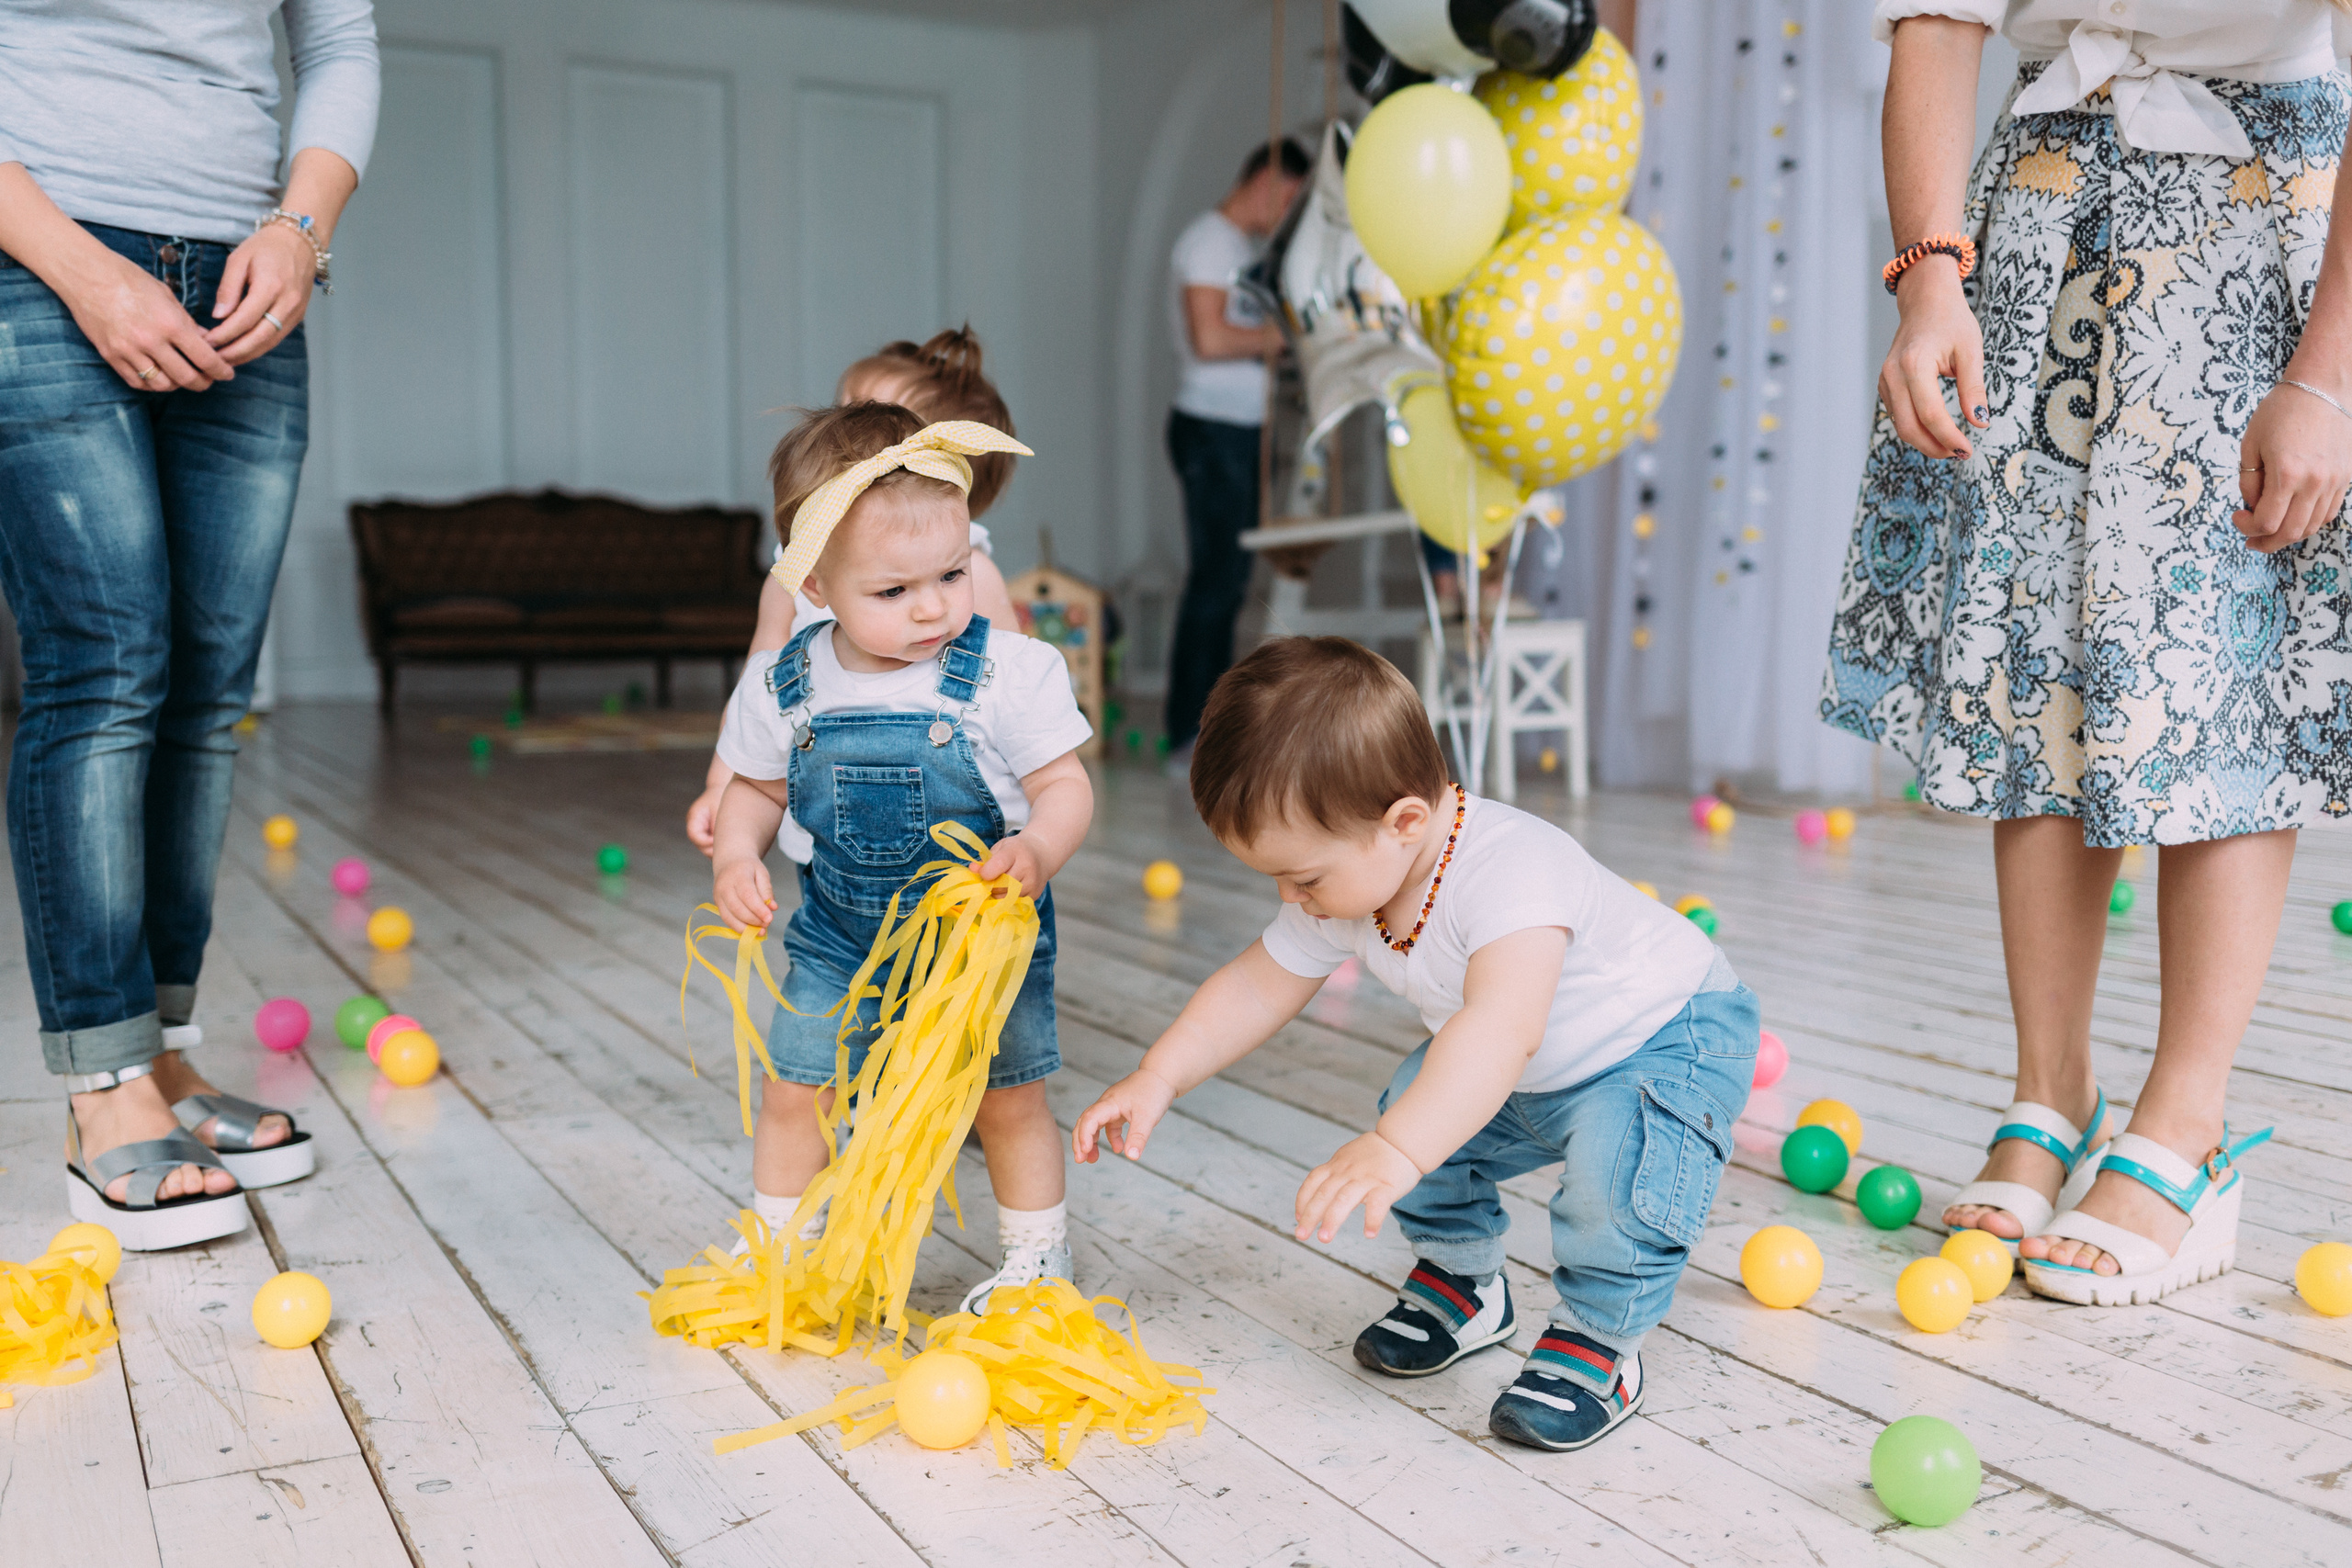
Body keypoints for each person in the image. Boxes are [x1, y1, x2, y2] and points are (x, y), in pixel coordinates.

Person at [1823, 4, 2352, 1304]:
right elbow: (1938, 26)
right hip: (2041, 207)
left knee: (2215, 678)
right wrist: (1931, 274)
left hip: (2261, 212)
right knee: (2035, 673)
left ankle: (2189, 1120)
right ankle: (2049, 1083)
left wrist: (2328, 376)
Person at [1073, 637, 1756, 1453]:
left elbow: (1503, 1027)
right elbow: (1259, 982)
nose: (1295, 900)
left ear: (1404, 821)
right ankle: (1467, 1287)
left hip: (1664, 1041)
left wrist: (1399, 1148)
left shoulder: (1513, 870)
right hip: (1531, 1062)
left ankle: (1600, 1345)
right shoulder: (1359, 876)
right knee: (1417, 1106)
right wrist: (1161, 1073)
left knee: (1608, 1168)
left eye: (1305, 879)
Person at [0, 1, 379, 1250]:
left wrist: (298, 225)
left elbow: (338, 44)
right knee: (105, 668)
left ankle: (160, 1059)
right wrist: (74, 262)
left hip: (247, 269)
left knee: (208, 689)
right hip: (36, 256)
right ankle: (101, 1087)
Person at [708, 403, 1095, 1311]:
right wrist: (736, 853)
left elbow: (1066, 787)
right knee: (795, 1081)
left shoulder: (1005, 670)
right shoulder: (785, 682)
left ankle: (1036, 1259)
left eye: (953, 574)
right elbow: (756, 789)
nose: (933, 607)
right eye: (894, 591)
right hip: (840, 933)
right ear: (813, 588)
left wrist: (1037, 847)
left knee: (1007, 1098)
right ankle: (779, 1238)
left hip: (979, 941)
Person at [686, 328, 1023, 853]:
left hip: (954, 834)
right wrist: (720, 783)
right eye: (845, 409)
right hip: (823, 815)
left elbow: (1014, 687)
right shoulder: (797, 566)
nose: (843, 431)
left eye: (881, 424)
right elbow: (760, 681)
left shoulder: (975, 571)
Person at [1162, 137, 1309, 772]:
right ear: (1270, 180)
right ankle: (1188, 736)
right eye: (1292, 199)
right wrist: (1281, 337)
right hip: (1212, 427)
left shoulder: (1236, 247)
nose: (1288, 212)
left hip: (1235, 429)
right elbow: (1210, 336)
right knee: (1216, 584)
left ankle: (1207, 733)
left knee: (1228, 583)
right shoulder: (1210, 242)